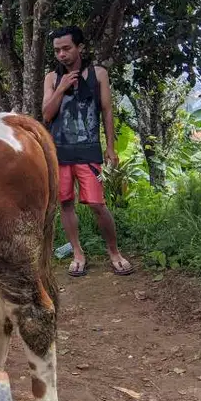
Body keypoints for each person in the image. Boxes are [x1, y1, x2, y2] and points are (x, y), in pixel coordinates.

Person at [42, 25, 134, 278]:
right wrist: (61, 88)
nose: (61, 54)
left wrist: (111, 148)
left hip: (89, 150)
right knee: (65, 203)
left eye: (66, 48)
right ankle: (77, 253)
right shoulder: (52, 78)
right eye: (57, 50)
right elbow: (47, 114)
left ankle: (114, 252)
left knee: (97, 204)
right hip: (59, 152)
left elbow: (107, 111)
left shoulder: (98, 74)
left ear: (80, 47)